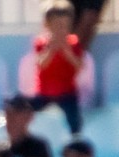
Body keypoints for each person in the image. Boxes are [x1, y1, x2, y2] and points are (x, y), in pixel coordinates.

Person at [30, 0, 84, 134]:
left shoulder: (73, 43)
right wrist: (52, 49)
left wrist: (67, 52)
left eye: (64, 26)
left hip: (67, 93)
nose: (61, 30)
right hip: (44, 94)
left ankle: (75, 137)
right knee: (27, 110)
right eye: (57, 26)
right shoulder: (41, 43)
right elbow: (41, 64)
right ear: (47, 25)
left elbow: (79, 66)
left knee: (74, 118)